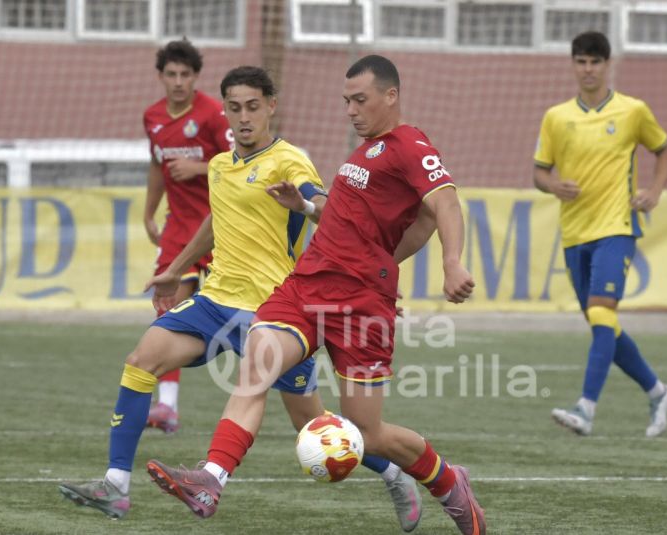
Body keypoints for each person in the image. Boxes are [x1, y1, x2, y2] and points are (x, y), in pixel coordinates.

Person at [59, 66, 423, 533]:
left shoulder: (289, 159)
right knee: (140, 360)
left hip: (275, 312)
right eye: (234, 108)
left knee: (311, 426)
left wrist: (307, 206)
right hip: (214, 302)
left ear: (271, 106)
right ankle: (116, 485)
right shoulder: (219, 166)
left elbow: (329, 211)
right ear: (225, 111)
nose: (244, 117)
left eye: (253, 106)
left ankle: (394, 474)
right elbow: (215, 221)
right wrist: (176, 270)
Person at [145, 55, 487, 535]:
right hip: (307, 285)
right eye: (346, 101)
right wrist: (305, 206)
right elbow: (355, 225)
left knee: (367, 433)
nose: (350, 111)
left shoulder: (410, 144)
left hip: (362, 305)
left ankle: (449, 482)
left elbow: (442, 204)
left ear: (391, 96)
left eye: (360, 100)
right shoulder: (363, 154)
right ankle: (211, 478)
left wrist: (450, 262)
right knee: (258, 363)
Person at [532, 31, 667, 437]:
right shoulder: (556, 117)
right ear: (573, 65)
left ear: (607, 64)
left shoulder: (633, 111)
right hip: (574, 234)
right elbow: (539, 172)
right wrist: (553, 185)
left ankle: (586, 408)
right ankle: (658, 391)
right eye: (581, 61)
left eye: (595, 61)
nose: (588, 69)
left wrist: (654, 191)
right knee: (603, 324)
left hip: (617, 226)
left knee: (600, 313)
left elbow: (664, 151)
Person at [141, 38, 234, 433]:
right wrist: (148, 212)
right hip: (178, 227)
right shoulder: (152, 117)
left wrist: (197, 169)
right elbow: (156, 165)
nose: (178, 81)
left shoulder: (214, 115)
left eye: (185, 74)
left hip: (220, 227)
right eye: (171, 74)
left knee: (243, 314)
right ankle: (167, 405)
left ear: (196, 77)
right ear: (161, 76)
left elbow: (238, 162)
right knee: (167, 306)